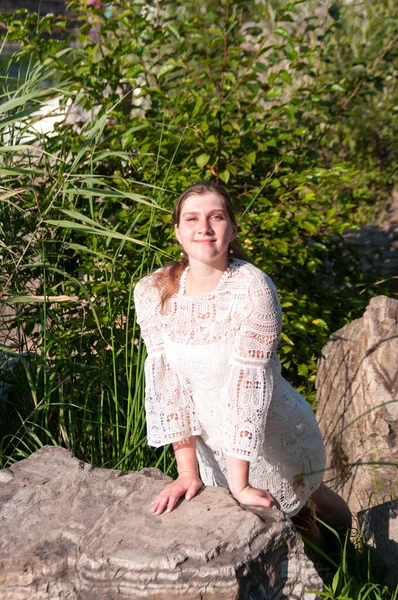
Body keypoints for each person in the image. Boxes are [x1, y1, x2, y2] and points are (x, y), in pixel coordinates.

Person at [134, 181, 351, 542]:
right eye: (192, 219)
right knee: (284, 529)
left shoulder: (253, 288)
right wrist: (188, 473)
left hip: (272, 430)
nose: (203, 228)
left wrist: (240, 483)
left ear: (232, 229)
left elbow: (247, 389)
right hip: (212, 441)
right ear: (177, 231)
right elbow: (167, 384)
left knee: (313, 503)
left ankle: (351, 560)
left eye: (215, 217)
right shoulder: (153, 291)